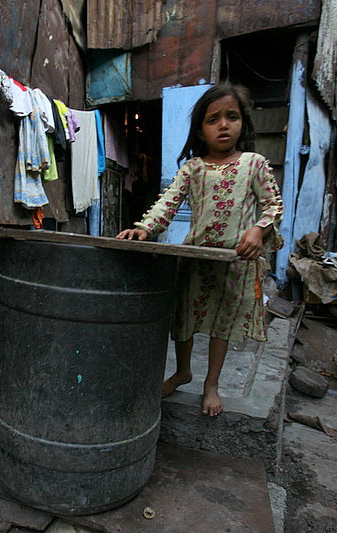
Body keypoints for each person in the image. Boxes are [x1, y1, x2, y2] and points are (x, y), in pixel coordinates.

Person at [117, 83, 284, 416]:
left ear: (243, 124)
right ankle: (182, 372)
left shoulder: (254, 164)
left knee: (222, 325)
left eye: (231, 117)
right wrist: (144, 228)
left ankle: (211, 384)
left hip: (234, 262)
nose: (223, 125)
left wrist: (258, 228)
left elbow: (272, 205)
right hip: (195, 259)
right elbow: (167, 203)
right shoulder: (192, 168)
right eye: (213, 119)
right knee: (185, 319)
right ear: (200, 131)